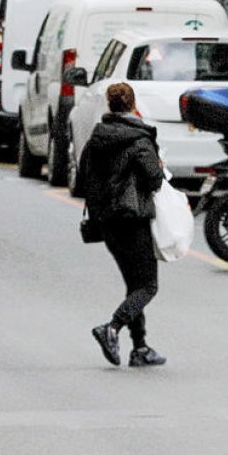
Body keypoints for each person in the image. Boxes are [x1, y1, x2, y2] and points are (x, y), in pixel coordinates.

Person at [80, 83, 167, 368]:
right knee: (148, 285)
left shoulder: (96, 139)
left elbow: (83, 176)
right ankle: (112, 328)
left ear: (109, 105)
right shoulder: (138, 139)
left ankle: (140, 348)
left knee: (134, 284)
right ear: (133, 104)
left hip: (106, 222)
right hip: (133, 219)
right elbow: (154, 178)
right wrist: (158, 163)